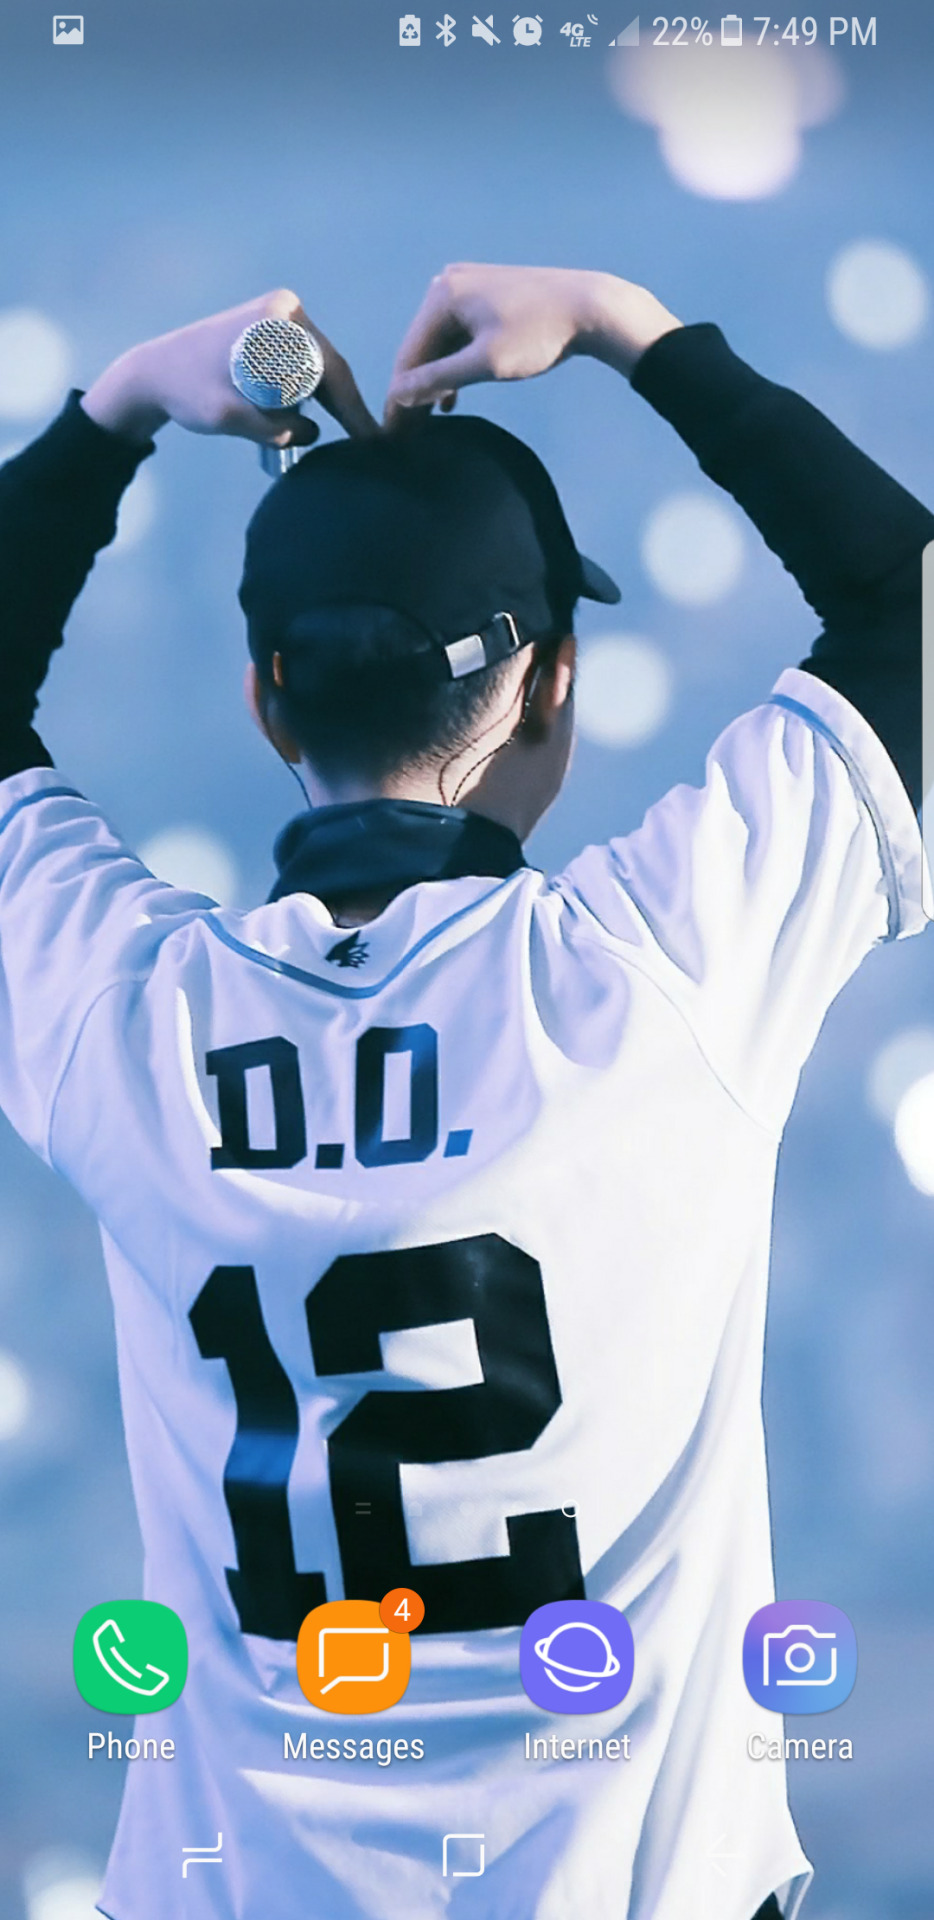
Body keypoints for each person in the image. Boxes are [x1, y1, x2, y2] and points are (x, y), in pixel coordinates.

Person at [0, 264, 929, 1920]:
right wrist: (634, 329)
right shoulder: (649, 977)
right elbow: (908, 609)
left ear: (264, 697)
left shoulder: (124, 1016)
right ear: (552, 683)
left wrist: (119, 405)